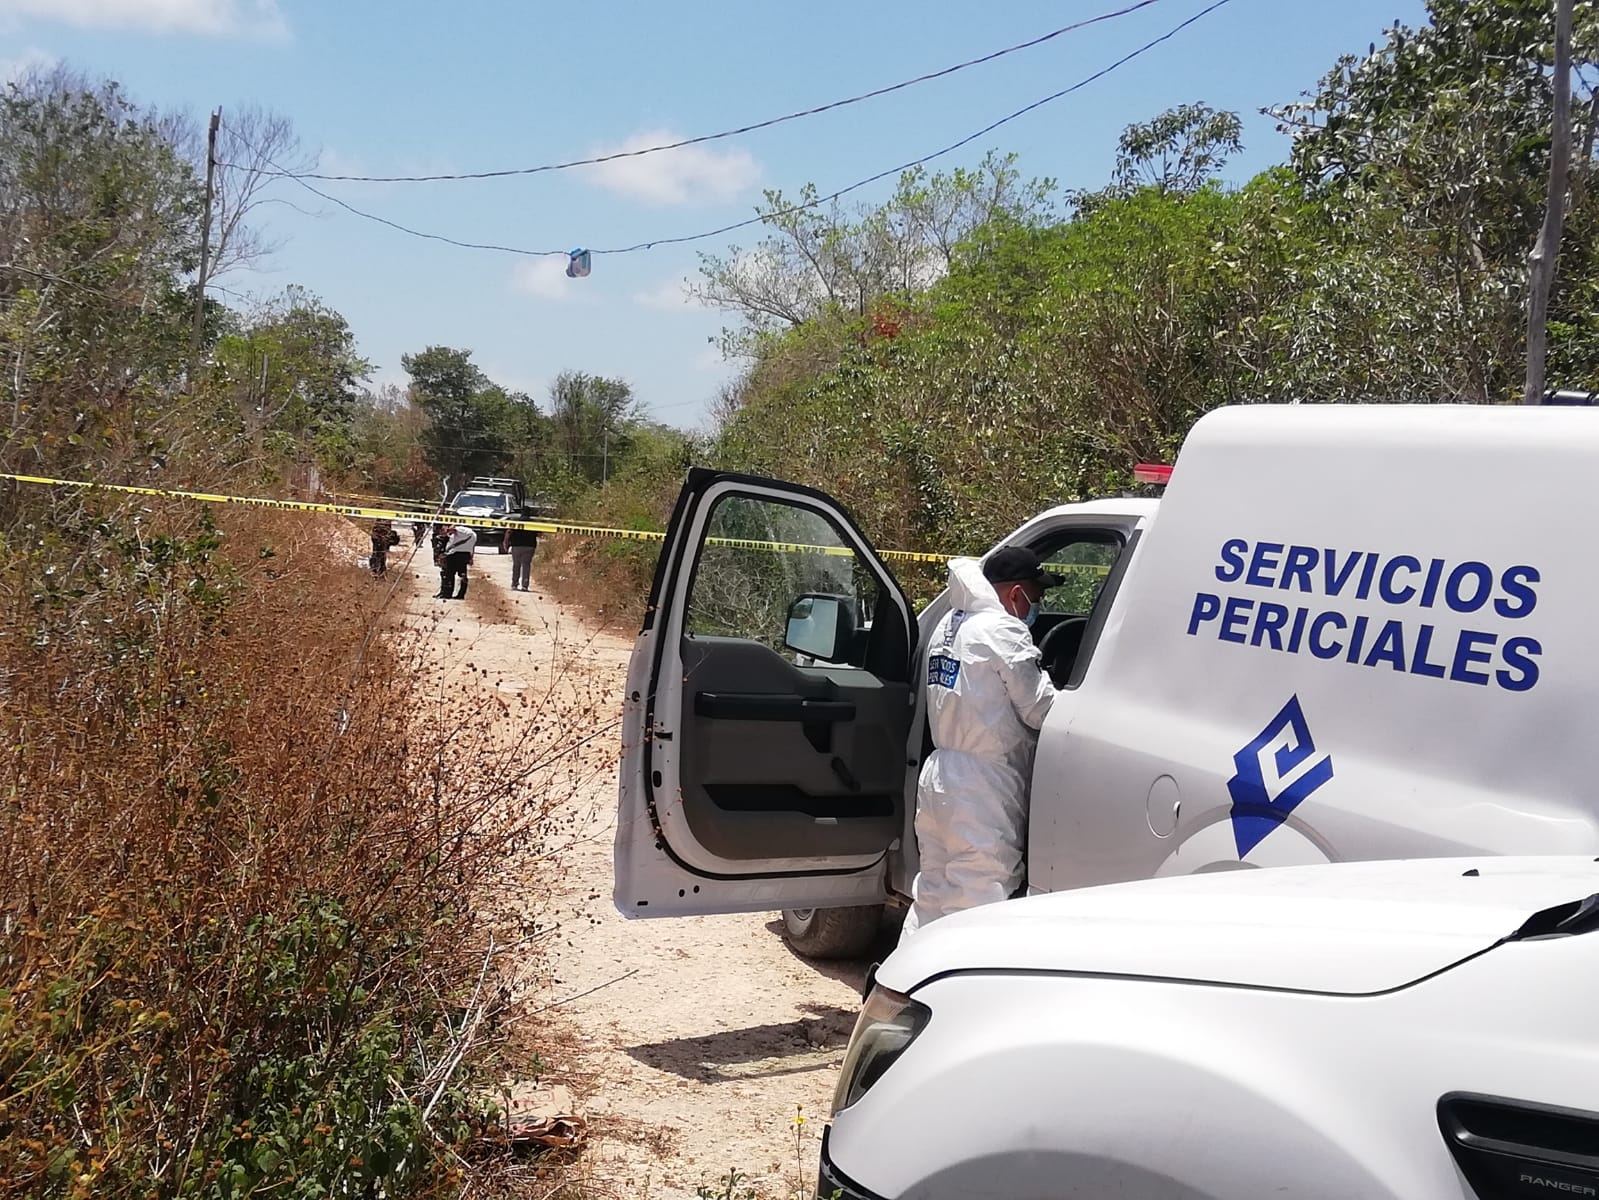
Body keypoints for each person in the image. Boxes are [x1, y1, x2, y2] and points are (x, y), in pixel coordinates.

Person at [900, 546, 1060, 940]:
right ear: (1015, 593)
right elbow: (1040, 709)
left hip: (939, 777)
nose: (1033, 608)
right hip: (982, 786)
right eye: (1034, 598)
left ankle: (902, 985)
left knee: (932, 895)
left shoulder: (950, 625)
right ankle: (954, 995)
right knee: (978, 900)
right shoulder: (1003, 630)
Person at [437, 523, 477, 600]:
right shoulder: (472, 535)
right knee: (462, 575)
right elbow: (472, 547)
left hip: (455, 555)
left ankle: (447, 594)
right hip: (465, 555)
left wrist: (446, 531)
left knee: (449, 574)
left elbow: (453, 528)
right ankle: (461, 594)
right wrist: (471, 557)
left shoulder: (461, 530)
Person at [505, 508, 540, 592]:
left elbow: (509, 532)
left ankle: (514, 584)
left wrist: (505, 542)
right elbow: (539, 534)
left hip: (516, 546)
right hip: (529, 546)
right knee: (526, 565)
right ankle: (525, 585)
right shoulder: (534, 523)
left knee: (516, 565)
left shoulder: (515, 521)